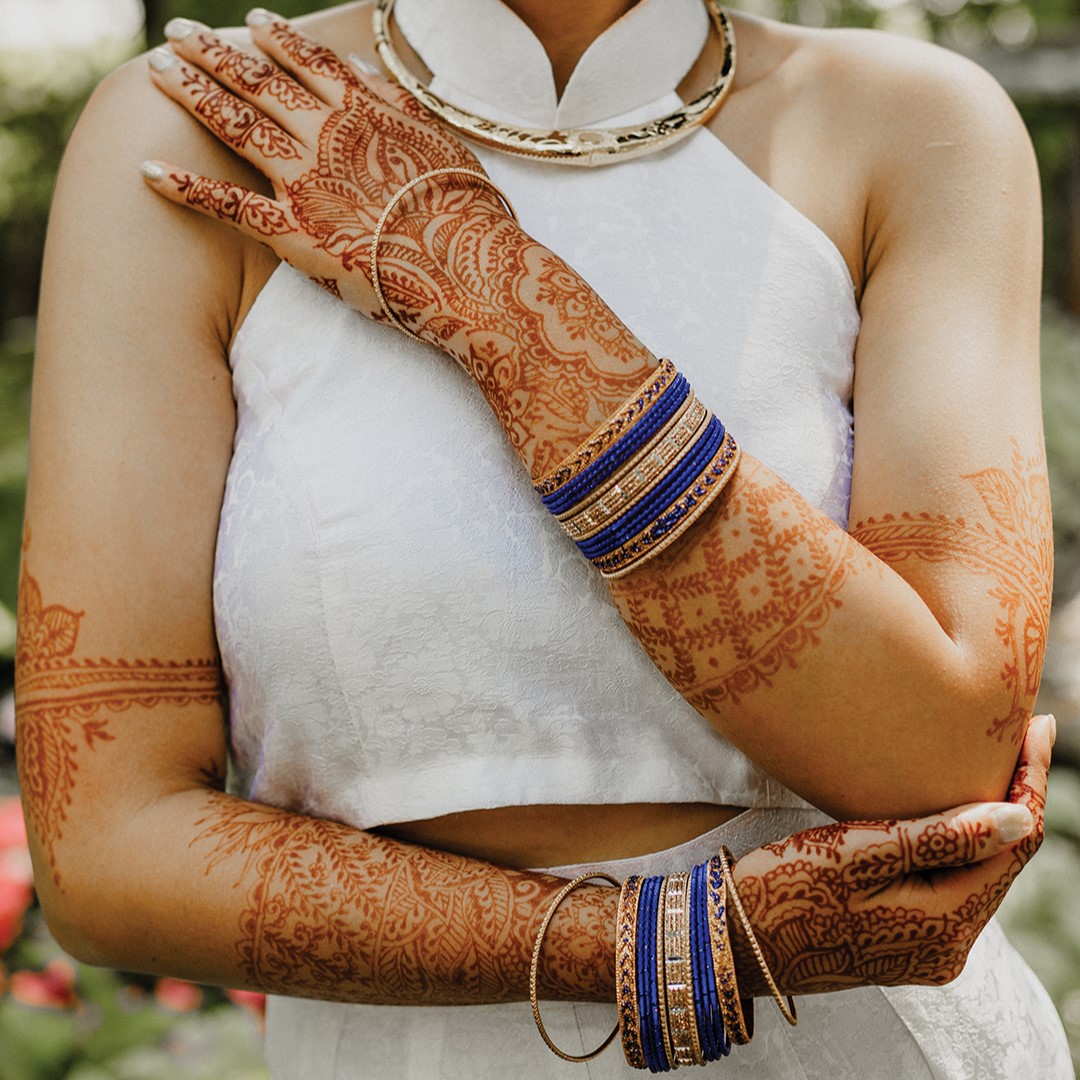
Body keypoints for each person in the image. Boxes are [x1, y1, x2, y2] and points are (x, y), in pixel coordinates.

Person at [14, 0, 1072, 1075]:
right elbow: (104, 848)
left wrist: (497, 298)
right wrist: (664, 948)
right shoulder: (200, 122)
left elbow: (936, 753)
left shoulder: (911, 124)